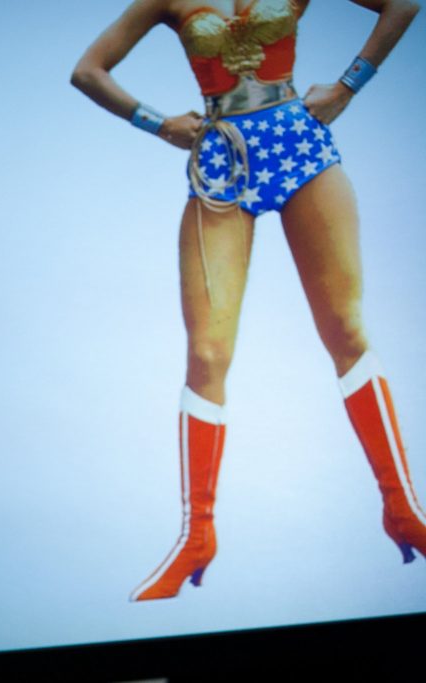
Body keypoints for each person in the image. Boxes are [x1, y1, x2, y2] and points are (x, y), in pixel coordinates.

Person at [71, 0, 423, 601]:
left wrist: (347, 87)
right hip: (221, 157)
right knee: (207, 354)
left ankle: (402, 507)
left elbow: (403, 3)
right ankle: (197, 536)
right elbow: (88, 71)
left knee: (346, 329)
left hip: (299, 145)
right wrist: (157, 123)